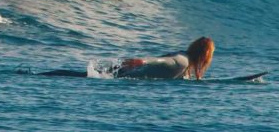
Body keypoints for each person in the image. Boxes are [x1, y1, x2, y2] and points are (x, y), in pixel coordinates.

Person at [39, 37, 216, 80]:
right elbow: (164, 61)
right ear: (205, 55)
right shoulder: (182, 61)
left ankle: (40, 74)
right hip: (127, 72)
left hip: (129, 73)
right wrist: (143, 61)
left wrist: (241, 80)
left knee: (80, 76)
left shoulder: (186, 68)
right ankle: (39, 75)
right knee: (80, 76)